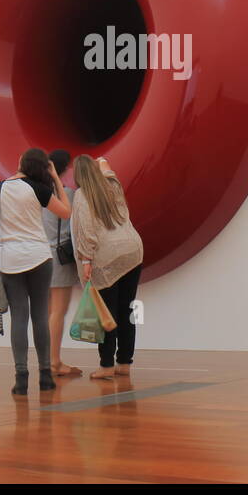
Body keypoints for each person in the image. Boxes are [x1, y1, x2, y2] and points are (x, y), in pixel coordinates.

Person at [0, 148, 71, 395]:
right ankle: (45, 377)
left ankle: (21, 378)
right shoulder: (38, 188)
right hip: (39, 257)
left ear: (20, 162)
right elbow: (66, 212)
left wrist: (11, 235)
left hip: (10, 260)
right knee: (40, 316)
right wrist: (55, 180)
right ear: (43, 167)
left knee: (19, 318)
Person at [70, 154, 143, 380]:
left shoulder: (81, 196)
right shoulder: (112, 185)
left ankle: (106, 365)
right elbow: (107, 167)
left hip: (107, 257)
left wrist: (86, 261)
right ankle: (124, 363)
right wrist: (99, 161)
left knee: (106, 314)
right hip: (132, 251)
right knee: (127, 310)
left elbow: (86, 232)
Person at [43, 149, 80, 377]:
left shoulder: (35, 193)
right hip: (59, 257)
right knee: (59, 311)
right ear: (65, 168)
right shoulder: (68, 194)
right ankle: (54, 361)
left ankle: (48, 359)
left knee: (47, 312)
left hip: (38, 256)